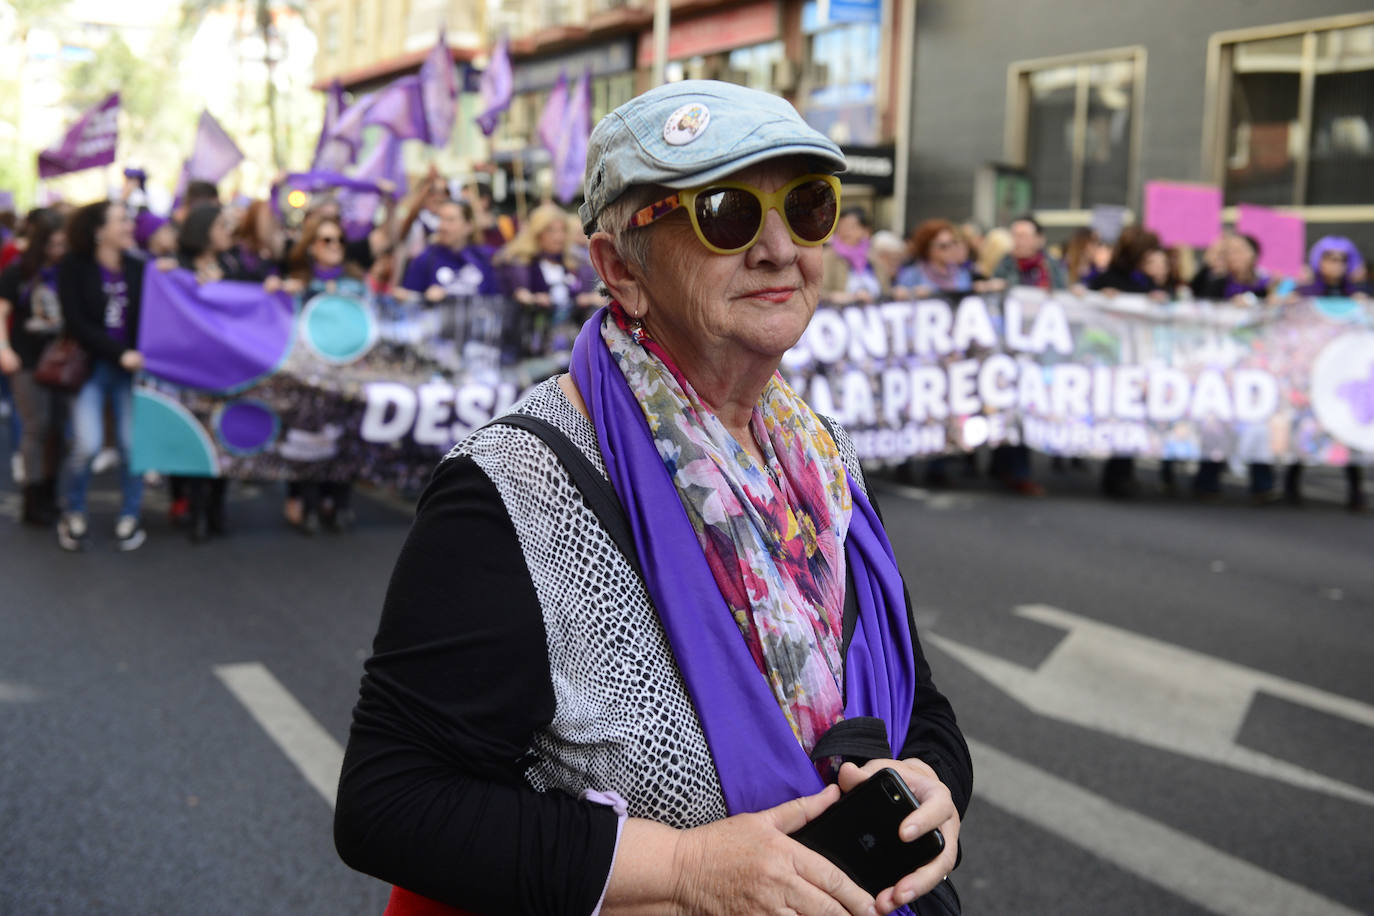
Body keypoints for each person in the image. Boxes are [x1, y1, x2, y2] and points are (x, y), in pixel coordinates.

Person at [335, 79, 970, 916]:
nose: (779, 247)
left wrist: (932, 779)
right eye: (727, 212)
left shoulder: (823, 458)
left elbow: (917, 700)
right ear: (619, 270)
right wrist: (682, 869)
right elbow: (390, 803)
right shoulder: (509, 490)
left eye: (808, 206)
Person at [55, 201, 148, 551]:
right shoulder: (74, 267)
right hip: (90, 370)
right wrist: (119, 353)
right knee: (87, 446)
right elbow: (76, 323)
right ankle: (73, 511)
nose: (129, 226)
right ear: (99, 231)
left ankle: (130, 514)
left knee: (130, 446)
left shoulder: (140, 267)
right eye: (122, 220)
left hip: (131, 372)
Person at [282, 213, 366, 534]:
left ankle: (339, 502)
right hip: (309, 374)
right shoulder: (299, 281)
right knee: (310, 439)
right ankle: (308, 502)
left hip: (346, 372)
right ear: (312, 246)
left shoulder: (357, 282)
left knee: (343, 437)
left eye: (340, 240)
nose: (334, 246)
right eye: (327, 240)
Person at [0, 208, 66, 525]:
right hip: (27, 359)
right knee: (35, 426)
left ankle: (50, 490)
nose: (58, 250)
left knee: (58, 428)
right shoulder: (18, 272)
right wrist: (3, 349)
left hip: (64, 361)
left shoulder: (69, 270)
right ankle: (33, 494)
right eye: (53, 244)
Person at [494, 203, 599, 356]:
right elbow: (514, 298)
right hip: (530, 344)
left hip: (570, 342)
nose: (558, 236)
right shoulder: (520, 264)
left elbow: (584, 296)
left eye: (562, 230)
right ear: (537, 233)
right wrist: (530, 299)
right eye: (551, 230)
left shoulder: (576, 264)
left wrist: (586, 299)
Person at [399, 199, 501, 303]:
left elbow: (494, 299)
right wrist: (423, 298)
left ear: (468, 226)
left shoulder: (482, 257)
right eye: (440, 219)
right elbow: (406, 300)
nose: (443, 226)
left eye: (450, 220)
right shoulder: (425, 259)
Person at [896, 219, 977, 297]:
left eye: (953, 243)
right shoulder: (912, 275)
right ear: (927, 249)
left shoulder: (962, 274)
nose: (951, 249)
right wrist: (910, 294)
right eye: (943, 246)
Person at [991, 214, 1069, 291]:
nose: (1018, 241)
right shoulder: (1004, 265)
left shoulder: (1052, 266)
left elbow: (1063, 292)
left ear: (1039, 239)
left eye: (1023, 236)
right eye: (1014, 235)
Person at [822, 206, 882, 304]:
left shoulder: (873, 257)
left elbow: (885, 291)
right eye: (841, 226)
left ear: (865, 230)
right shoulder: (827, 257)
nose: (845, 231)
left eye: (852, 226)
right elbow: (817, 292)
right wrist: (833, 296)